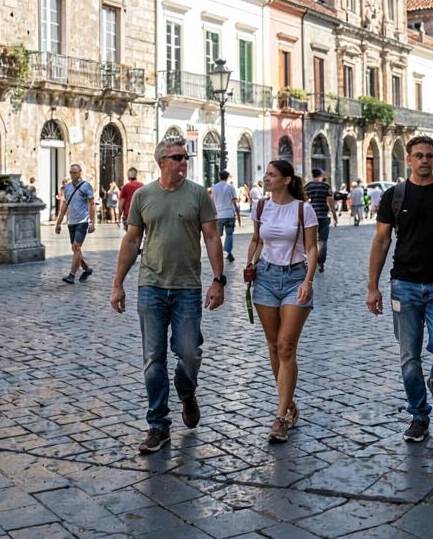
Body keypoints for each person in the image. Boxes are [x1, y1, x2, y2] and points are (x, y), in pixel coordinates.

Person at [110, 136, 224, 454]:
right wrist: (118, 283)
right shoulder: (144, 196)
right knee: (153, 360)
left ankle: (186, 392)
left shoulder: (199, 194)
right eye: (177, 157)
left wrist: (219, 280)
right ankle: (158, 425)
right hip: (151, 286)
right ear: (162, 161)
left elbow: (212, 237)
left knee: (189, 353)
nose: (183, 162)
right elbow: (132, 241)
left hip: (188, 287)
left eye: (185, 157)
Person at [366, 135, 433, 443]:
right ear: (410, 160)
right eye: (418, 155)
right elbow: (381, 240)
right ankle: (418, 415)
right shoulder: (395, 195)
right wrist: (372, 286)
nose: (424, 159)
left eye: (428, 155)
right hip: (404, 284)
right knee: (408, 355)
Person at [245, 160, 318, 442]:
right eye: (265, 174)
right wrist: (250, 262)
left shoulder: (303, 209)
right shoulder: (261, 207)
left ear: (286, 180)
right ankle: (288, 404)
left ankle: (280, 418)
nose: (266, 178)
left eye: (272, 175)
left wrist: (308, 280)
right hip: (264, 277)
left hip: (295, 278)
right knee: (274, 346)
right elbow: (256, 239)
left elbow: (311, 247)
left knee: (287, 347)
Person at [54, 164, 97, 283]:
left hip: (82, 221)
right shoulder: (67, 187)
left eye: (74, 172)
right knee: (75, 250)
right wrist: (58, 222)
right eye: (71, 172)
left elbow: (92, 204)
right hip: (71, 222)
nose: (72, 174)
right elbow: (64, 205)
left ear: (80, 173)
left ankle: (71, 275)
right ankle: (87, 269)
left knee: (76, 247)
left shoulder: (86, 186)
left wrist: (92, 222)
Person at [304, 169, 335, 270]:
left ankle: (309, 260)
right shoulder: (326, 186)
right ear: (321, 175)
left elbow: (304, 200)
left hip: (310, 215)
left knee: (310, 239)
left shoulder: (308, 186)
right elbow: (330, 201)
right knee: (323, 239)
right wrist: (334, 215)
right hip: (323, 215)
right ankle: (320, 262)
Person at [212, 170, 240, 263]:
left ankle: (217, 251)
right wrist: (237, 211)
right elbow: (233, 201)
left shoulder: (214, 188)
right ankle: (228, 252)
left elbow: (212, 201)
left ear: (219, 177)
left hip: (219, 214)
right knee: (229, 234)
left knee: (217, 235)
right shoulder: (230, 187)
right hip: (229, 214)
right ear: (227, 177)